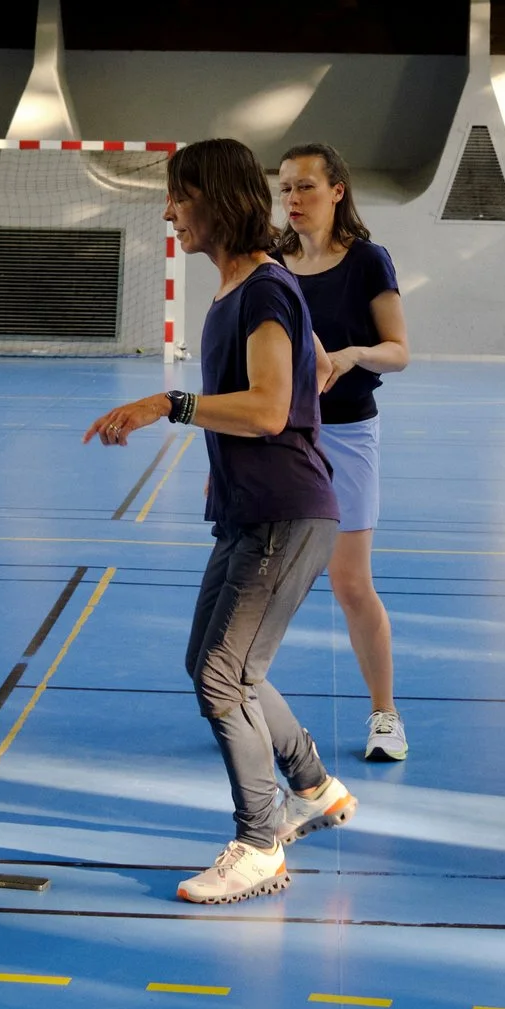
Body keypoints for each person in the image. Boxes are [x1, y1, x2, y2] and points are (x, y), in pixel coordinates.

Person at [88, 137, 356, 904]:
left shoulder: (264, 289)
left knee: (221, 675)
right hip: (248, 511)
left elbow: (270, 408)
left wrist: (167, 403)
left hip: (283, 515)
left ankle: (260, 842)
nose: (169, 211)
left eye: (180, 195)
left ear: (219, 198)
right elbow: (305, 375)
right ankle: (313, 784)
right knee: (215, 662)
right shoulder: (240, 288)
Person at [275, 143, 411, 761]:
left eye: (305, 186)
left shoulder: (367, 262)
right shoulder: (271, 263)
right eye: (285, 188)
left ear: (337, 191)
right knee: (265, 580)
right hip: (281, 435)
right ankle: (248, 706)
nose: (293, 199)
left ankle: (385, 716)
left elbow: (398, 350)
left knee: (351, 583)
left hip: (348, 434)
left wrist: (354, 355)